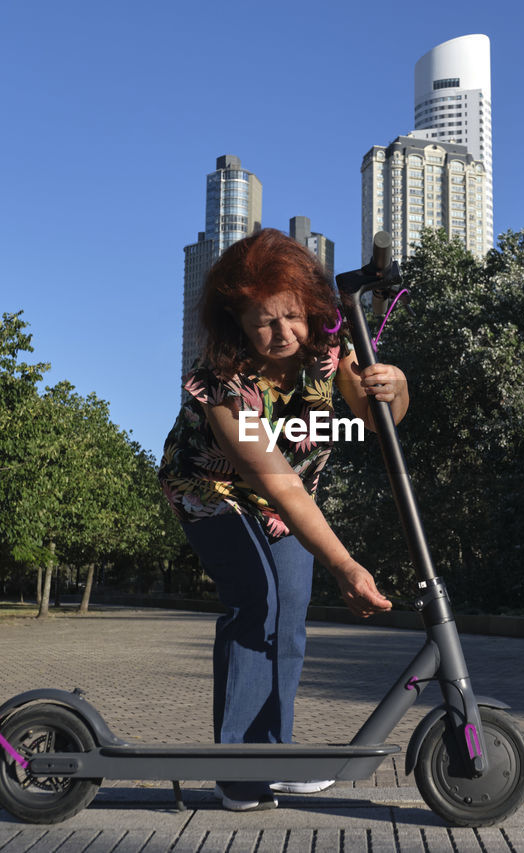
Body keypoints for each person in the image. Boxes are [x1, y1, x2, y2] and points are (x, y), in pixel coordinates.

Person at [158, 228, 403, 812]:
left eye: (291, 317)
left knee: (289, 614)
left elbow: (374, 415)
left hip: (290, 497)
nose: (282, 334)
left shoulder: (326, 343)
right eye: (262, 322)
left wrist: (394, 387)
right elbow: (275, 481)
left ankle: (276, 753)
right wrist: (344, 562)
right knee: (257, 600)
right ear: (235, 321)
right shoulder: (223, 382)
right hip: (212, 490)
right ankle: (240, 769)